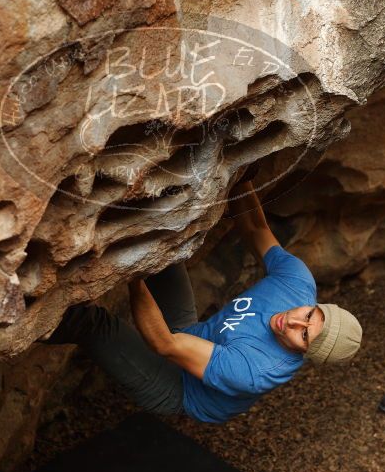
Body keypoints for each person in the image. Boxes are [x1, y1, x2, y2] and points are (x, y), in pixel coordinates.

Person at [47, 179, 362, 423]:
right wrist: (241, 175)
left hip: (179, 388)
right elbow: (255, 229)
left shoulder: (254, 371)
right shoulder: (297, 283)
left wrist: (133, 272)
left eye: (304, 335)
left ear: (305, 353)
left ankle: (18, 329)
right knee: (165, 253)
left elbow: (164, 344)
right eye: (309, 315)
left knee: (92, 324)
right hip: (194, 334)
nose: (293, 321)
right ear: (314, 303)